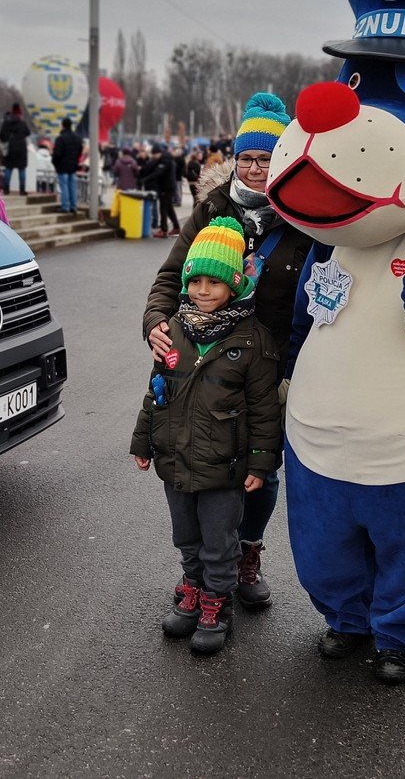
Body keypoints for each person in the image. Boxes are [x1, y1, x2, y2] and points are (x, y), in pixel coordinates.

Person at [143, 92, 311, 610]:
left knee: (261, 463)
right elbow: (172, 276)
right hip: (208, 357)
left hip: (272, 364)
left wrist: (303, 360)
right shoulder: (212, 209)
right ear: (235, 159)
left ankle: (245, 553)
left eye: (267, 158)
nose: (257, 168)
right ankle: (200, 567)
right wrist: (155, 322)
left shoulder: (304, 217)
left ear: (282, 158)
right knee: (202, 460)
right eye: (248, 158)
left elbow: (318, 290)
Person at [130, 217, 281, 656]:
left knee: (220, 541)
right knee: (187, 537)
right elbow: (156, 390)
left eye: (213, 282)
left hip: (224, 468)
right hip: (176, 461)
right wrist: (143, 442)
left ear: (234, 285)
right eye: (195, 281)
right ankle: (192, 591)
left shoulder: (253, 341)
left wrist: (260, 461)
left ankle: (217, 605)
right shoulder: (174, 329)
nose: (201, 290)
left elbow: (265, 411)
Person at [51, 117, 82, 214]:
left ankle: (65, 207)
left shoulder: (60, 138)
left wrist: (55, 164)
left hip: (62, 166)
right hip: (73, 166)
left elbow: (57, 154)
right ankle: (74, 206)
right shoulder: (77, 138)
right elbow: (79, 151)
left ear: (63, 125)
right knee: (72, 186)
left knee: (64, 186)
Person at [0, 103, 31, 194]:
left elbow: (2, 135)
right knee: (22, 169)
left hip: (10, 148)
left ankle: (6, 189)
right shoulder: (22, 122)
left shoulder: (6, 121)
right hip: (21, 148)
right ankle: (22, 190)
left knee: (8, 168)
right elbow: (28, 132)